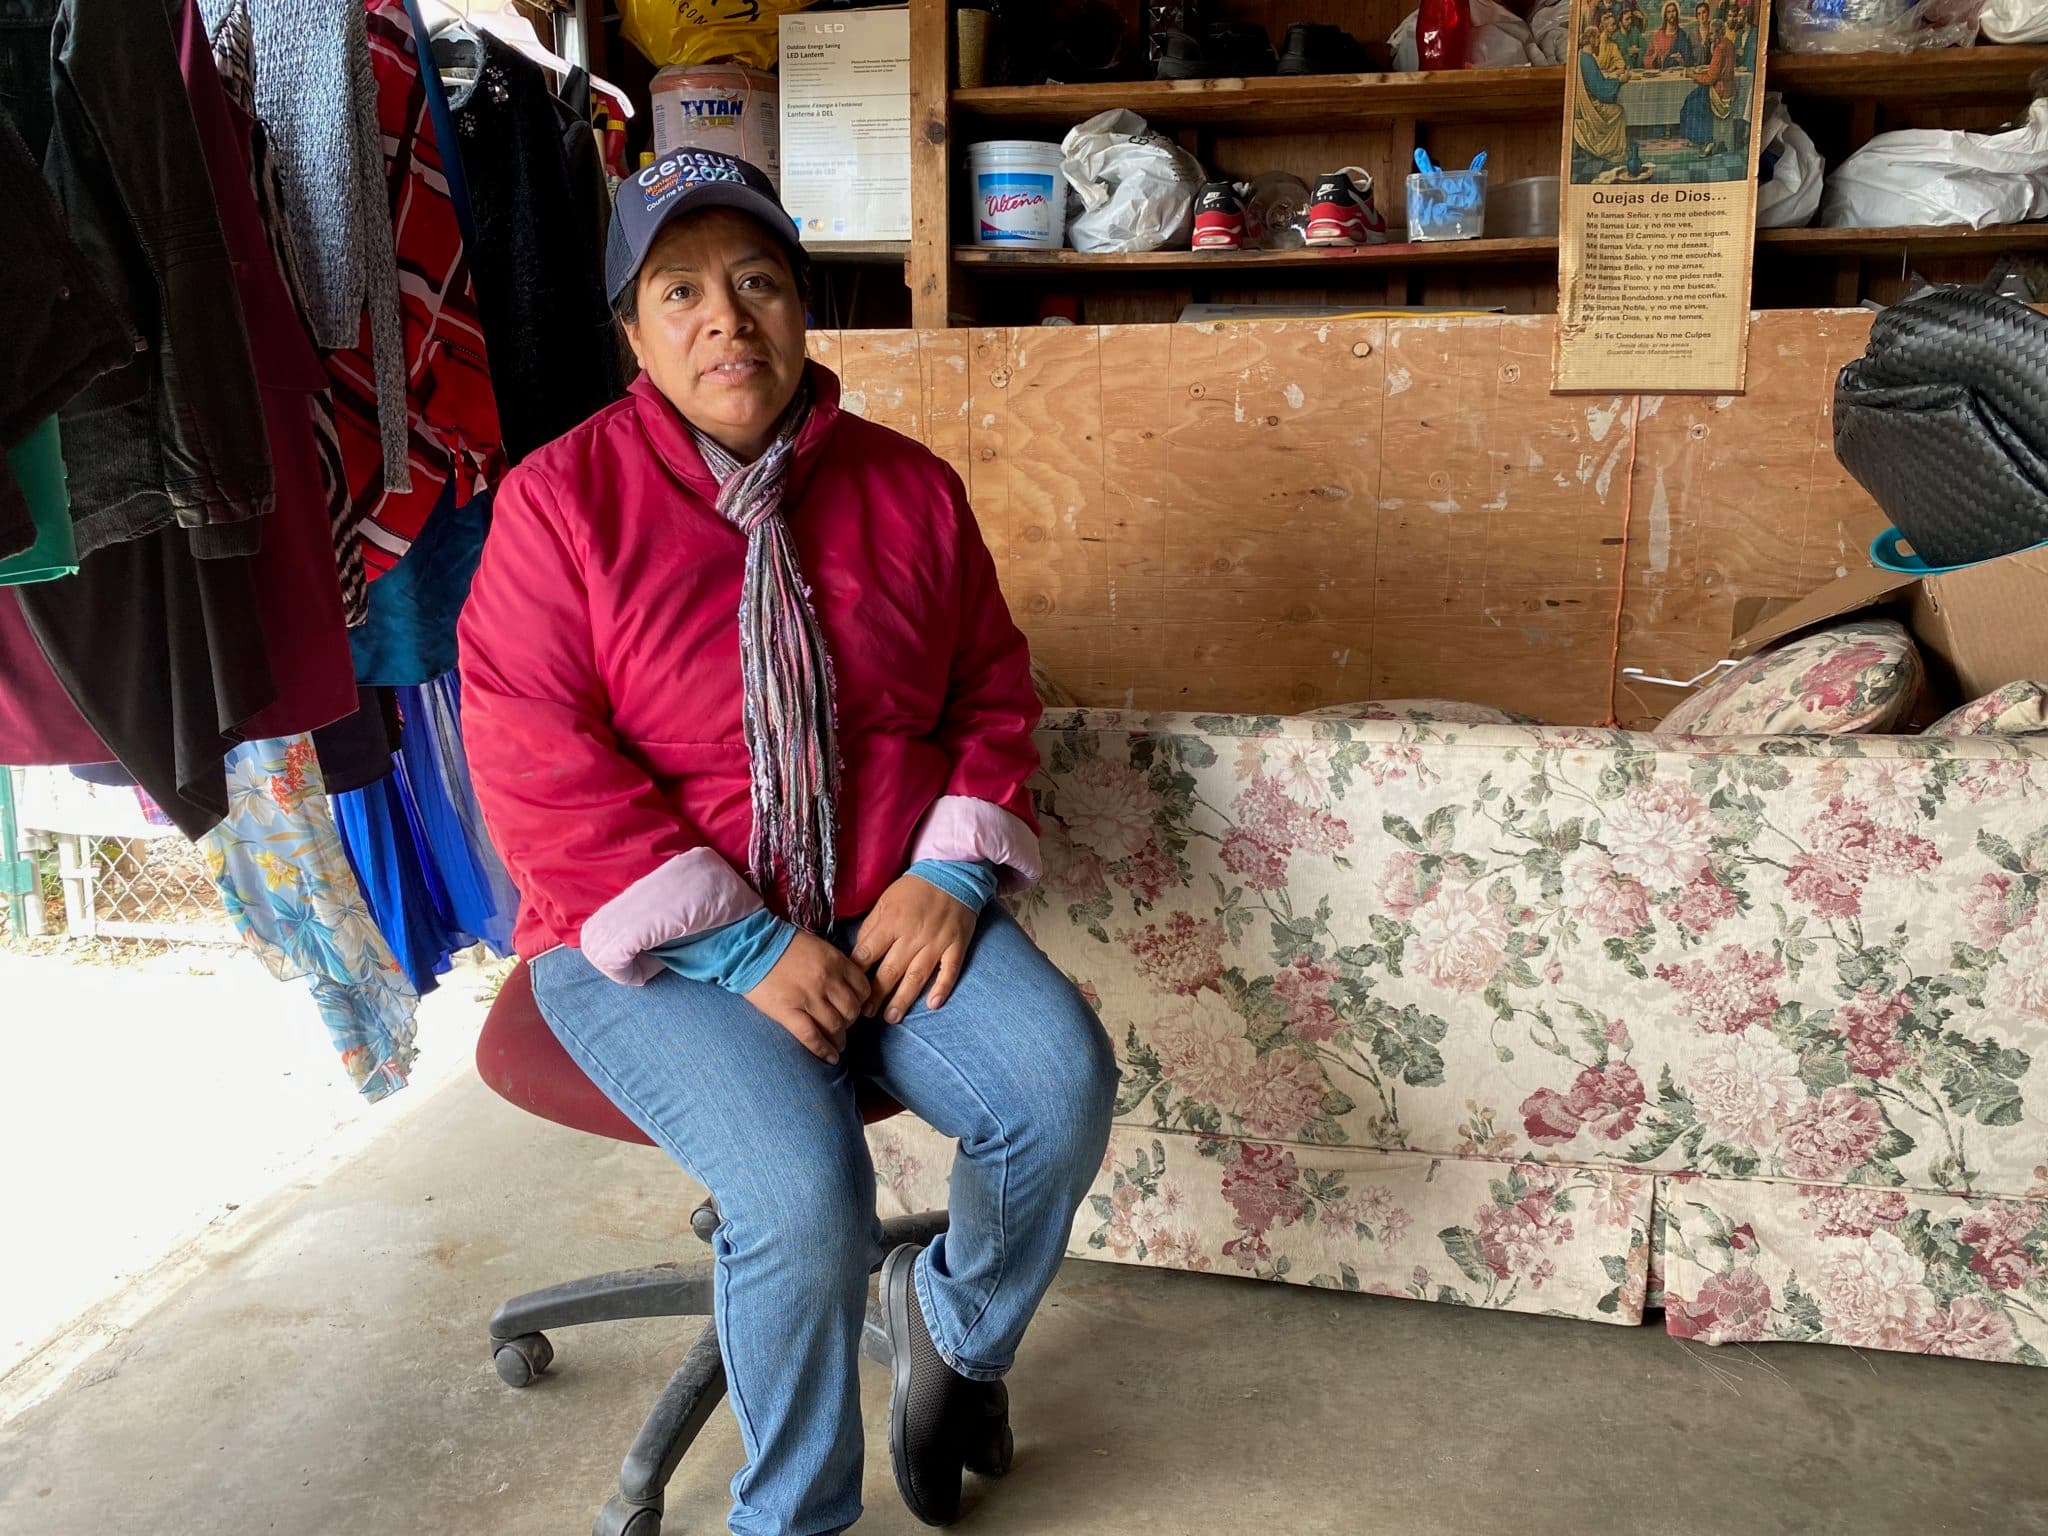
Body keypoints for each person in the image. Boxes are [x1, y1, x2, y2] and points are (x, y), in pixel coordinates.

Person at [458, 152, 1119, 1536]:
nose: (726, 319)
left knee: (1056, 1088)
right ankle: (793, 1519)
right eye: (679, 289)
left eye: (758, 281)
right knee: (804, 1196)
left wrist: (947, 873)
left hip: (879, 907)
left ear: (803, 308)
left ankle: (954, 1333)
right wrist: (746, 943)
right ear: (631, 333)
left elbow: (990, 691)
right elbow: (534, 765)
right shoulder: (555, 507)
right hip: (651, 946)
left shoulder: (909, 491)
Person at [1573, 12, 1630, 177]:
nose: (1599, 42)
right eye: (1597, 39)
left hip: (1589, 101)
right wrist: (1620, 81)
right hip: (1592, 106)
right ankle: (1614, 152)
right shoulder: (1587, 59)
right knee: (1618, 111)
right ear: (1592, 40)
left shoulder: (1583, 57)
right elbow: (1602, 91)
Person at [1679, 16, 1740, 151]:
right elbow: (1717, 71)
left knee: (1692, 104)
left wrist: (1692, 75)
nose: (1710, 36)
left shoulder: (1720, 48)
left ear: (1720, 32)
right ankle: (1699, 138)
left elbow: (1711, 79)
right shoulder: (1729, 44)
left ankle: (1705, 140)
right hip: (1728, 89)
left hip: (1719, 92)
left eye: (1712, 33)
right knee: (1692, 97)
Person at [1645, 0, 1692, 66]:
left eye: (1673, 11)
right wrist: (1654, 57)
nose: (1671, 14)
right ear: (1665, 16)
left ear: (1677, 14)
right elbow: (1647, 58)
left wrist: (1681, 60)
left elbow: (1689, 59)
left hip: (1677, 73)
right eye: (1668, 12)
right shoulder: (1658, 36)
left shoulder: (1682, 35)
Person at [1618, 4, 1649, 68]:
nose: (1630, 21)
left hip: (1638, 69)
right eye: (1627, 19)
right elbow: (1617, 57)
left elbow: (1645, 48)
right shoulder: (1616, 37)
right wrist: (1628, 53)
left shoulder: (1635, 31)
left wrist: (1636, 50)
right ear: (1620, 23)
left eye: (1630, 18)